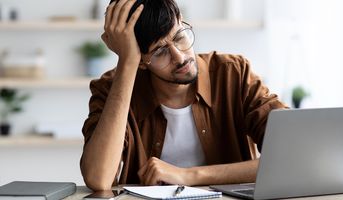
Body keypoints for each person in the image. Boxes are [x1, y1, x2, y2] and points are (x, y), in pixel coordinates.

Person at [80, 0, 287, 191]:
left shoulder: (234, 73)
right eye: (160, 52)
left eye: (180, 37)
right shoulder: (111, 88)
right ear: (141, 61)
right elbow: (99, 178)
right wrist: (127, 62)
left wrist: (188, 175)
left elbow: (292, 156)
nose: (180, 57)